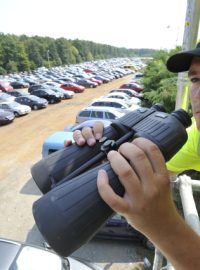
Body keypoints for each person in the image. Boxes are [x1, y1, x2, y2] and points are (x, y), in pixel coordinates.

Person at [65, 43, 200, 269]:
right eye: (195, 79)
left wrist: (161, 224)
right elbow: (141, 168)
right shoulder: (196, 138)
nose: (198, 94)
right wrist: (95, 152)